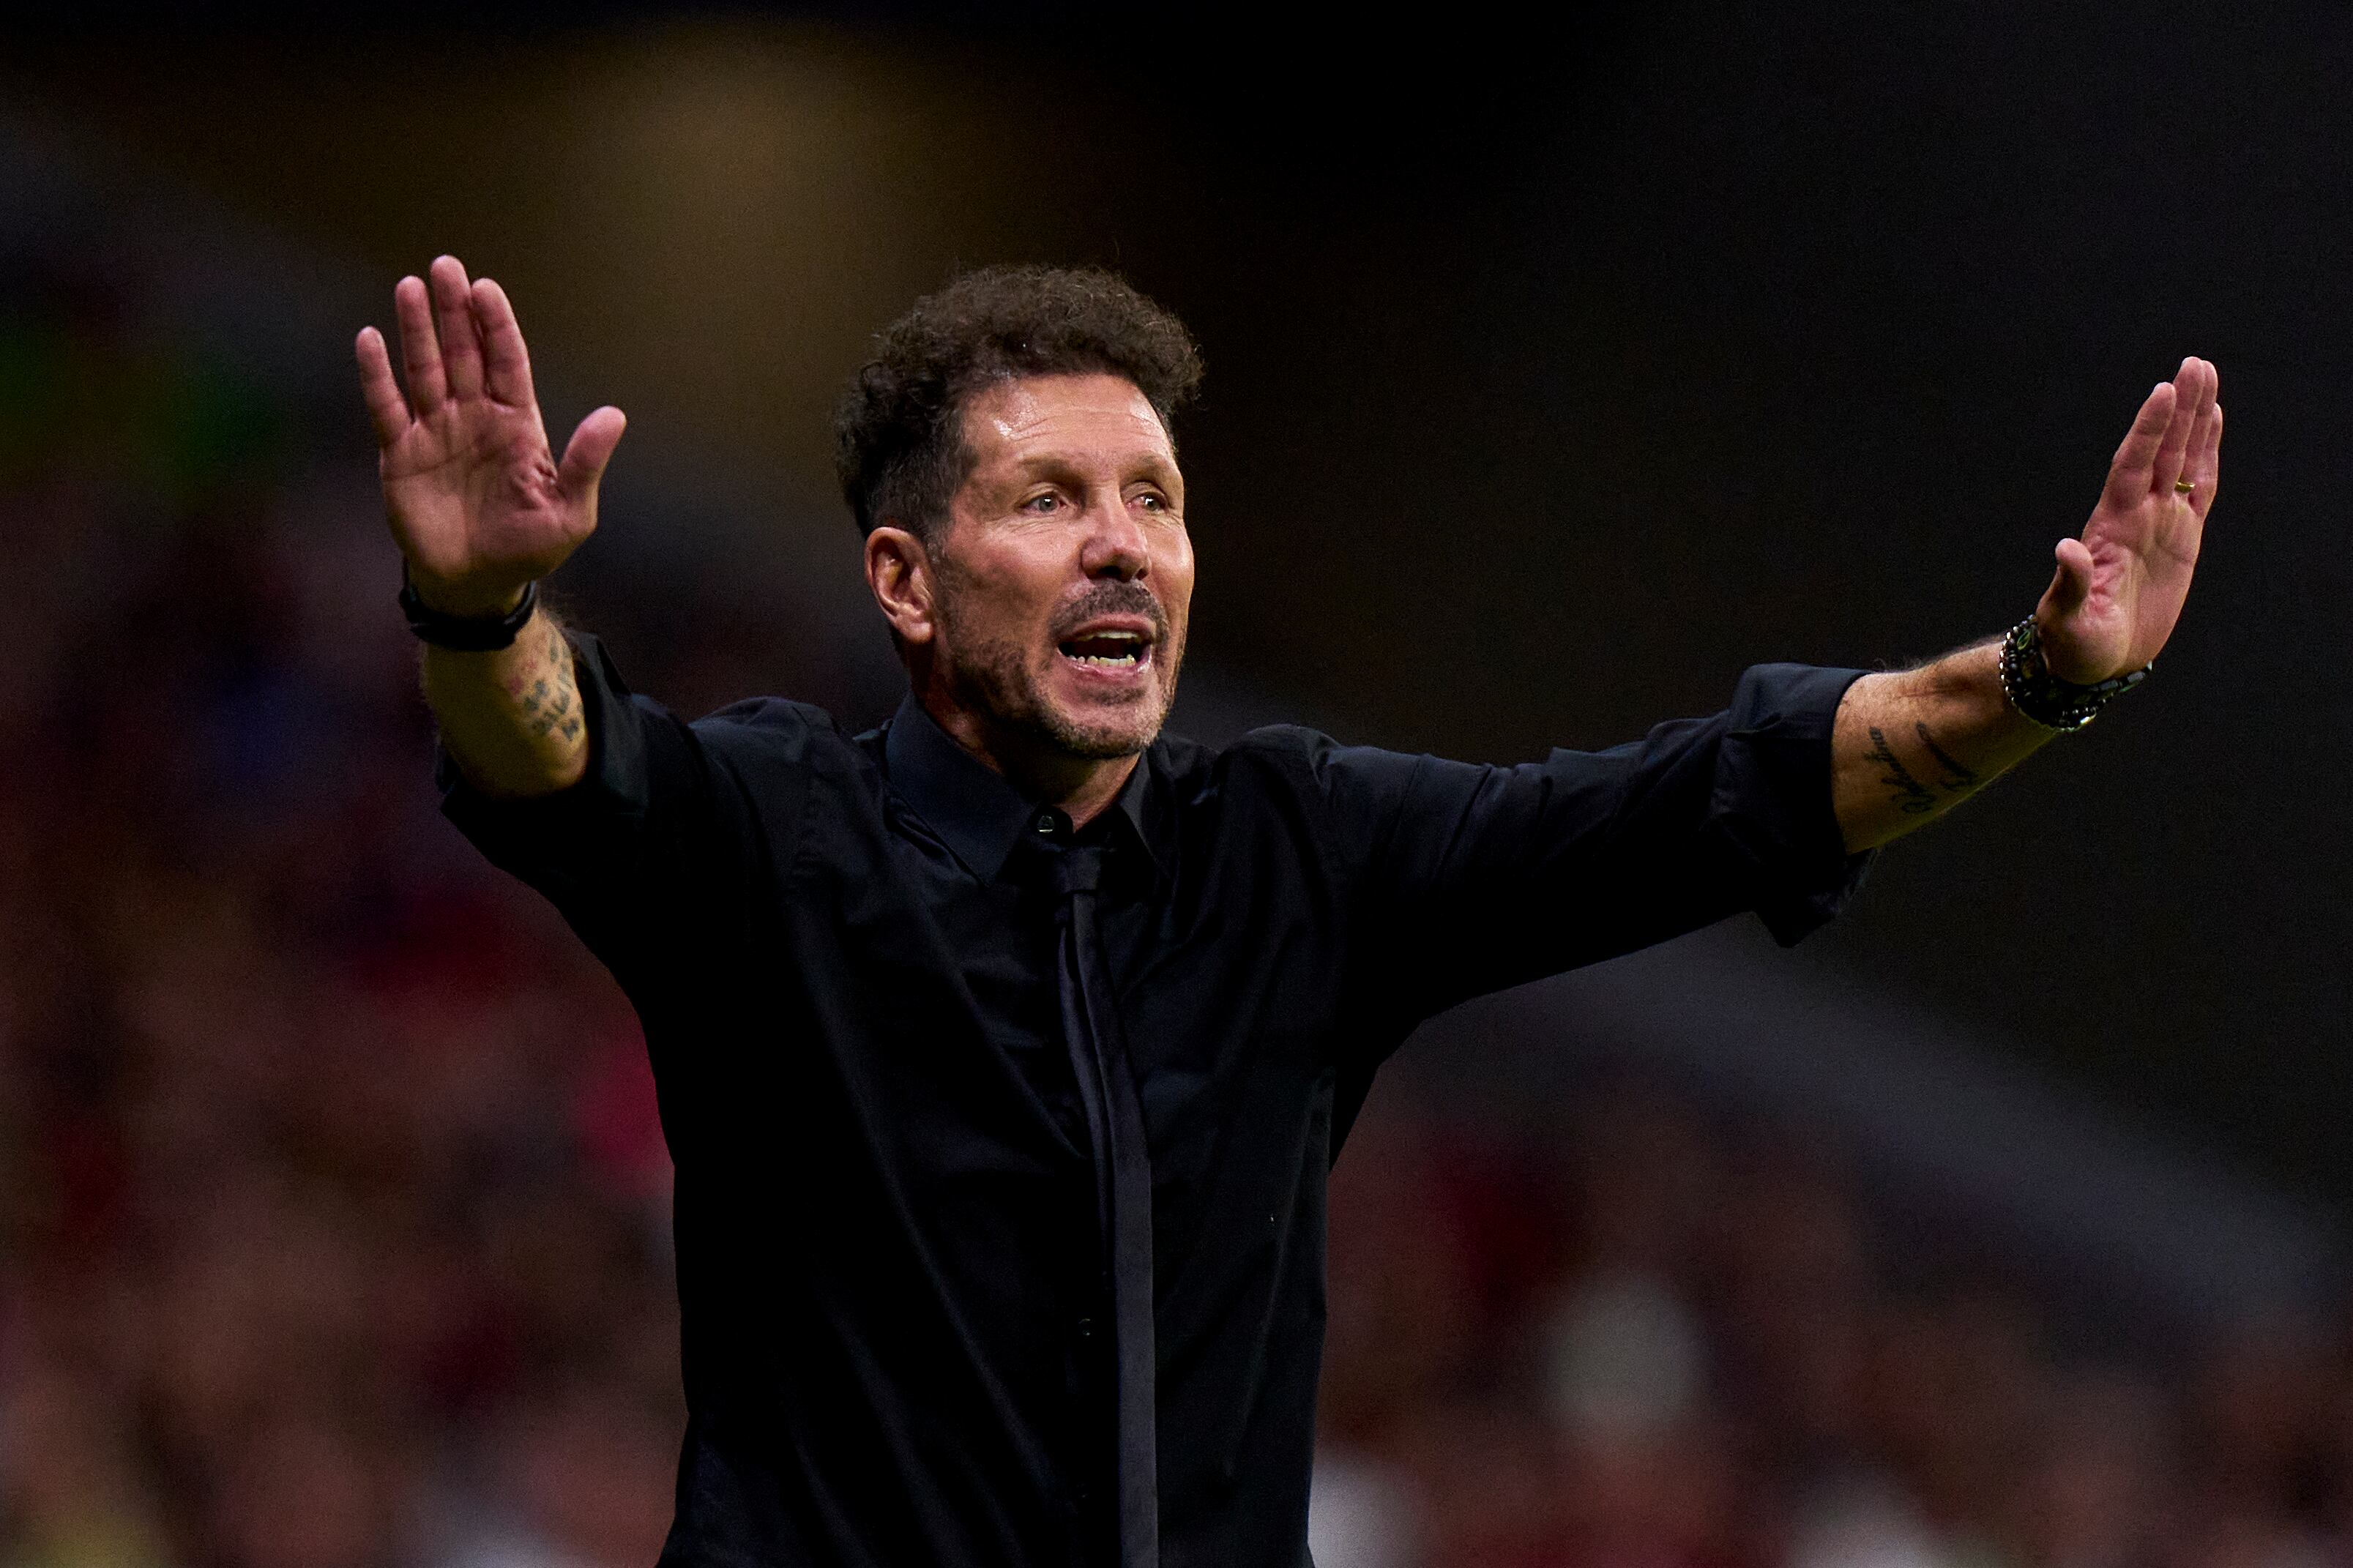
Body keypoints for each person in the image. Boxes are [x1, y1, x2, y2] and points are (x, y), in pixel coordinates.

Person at [354, 257, 2221, 1568]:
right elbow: (559, 763)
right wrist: (476, 608)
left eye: (1153, 500)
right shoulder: (777, 831)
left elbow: (1700, 807)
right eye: (1051, 498)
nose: (1122, 541)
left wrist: (2042, 679)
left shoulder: (1295, 852)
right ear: (906, 582)